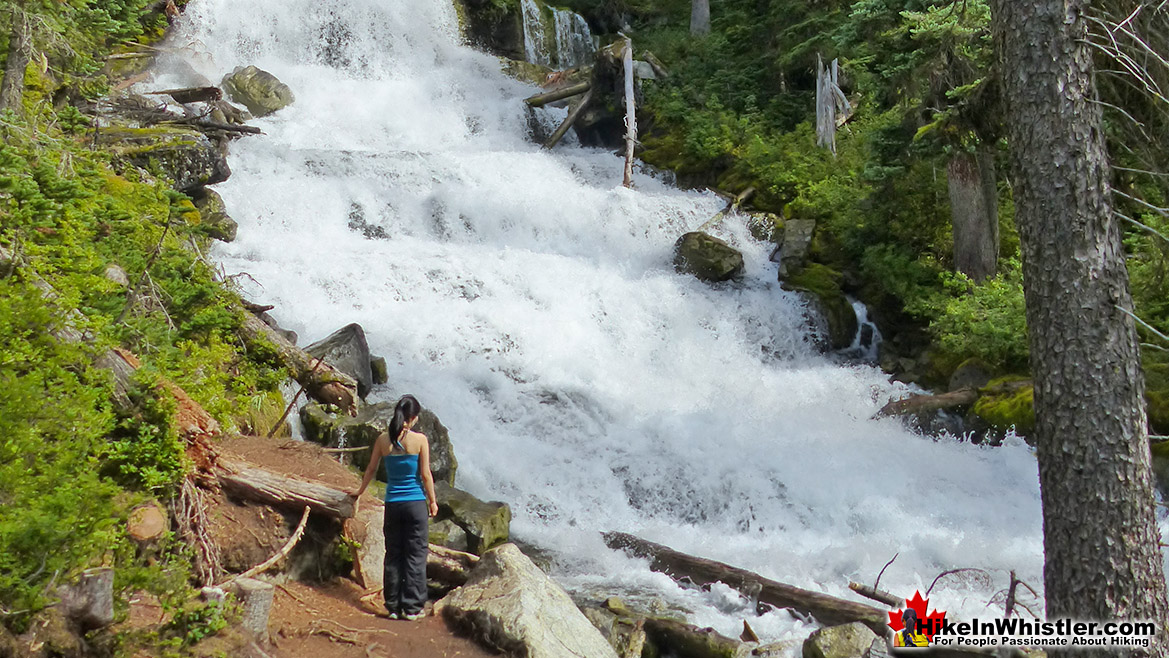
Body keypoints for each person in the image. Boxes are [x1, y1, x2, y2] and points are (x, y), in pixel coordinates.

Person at [351, 395, 439, 620]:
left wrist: (360, 492)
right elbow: (426, 475)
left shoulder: (383, 440)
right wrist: (432, 501)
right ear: (413, 418)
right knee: (415, 555)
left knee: (393, 554)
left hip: (393, 504)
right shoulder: (420, 440)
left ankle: (392, 606)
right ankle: (412, 608)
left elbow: (371, 469)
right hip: (415, 504)